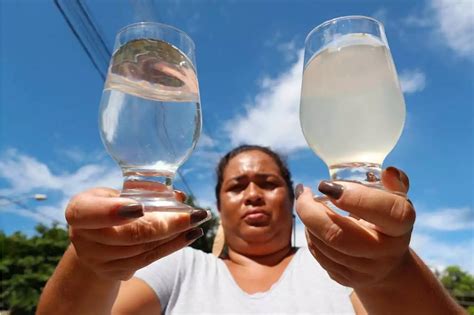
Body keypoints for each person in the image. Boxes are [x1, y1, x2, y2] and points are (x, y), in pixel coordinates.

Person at [37, 145, 464, 314]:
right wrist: (90, 262)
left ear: (292, 199)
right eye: (237, 186)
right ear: (219, 205)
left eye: (269, 183)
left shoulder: (344, 266)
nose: (253, 194)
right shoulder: (180, 267)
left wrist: (393, 271)